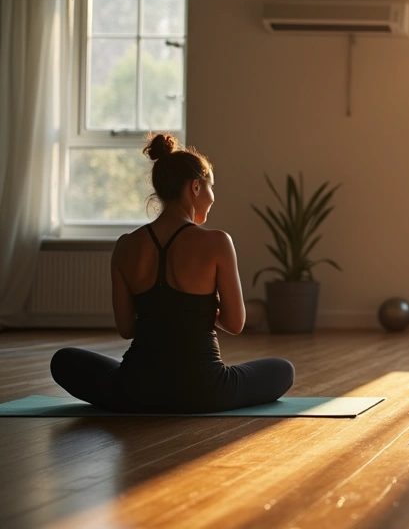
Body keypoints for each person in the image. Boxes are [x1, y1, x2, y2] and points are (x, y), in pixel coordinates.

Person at [48, 133, 294, 413]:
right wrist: (197, 309)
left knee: (63, 360)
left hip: (134, 390)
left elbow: (127, 329)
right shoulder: (218, 242)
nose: (214, 197)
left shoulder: (126, 246)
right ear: (196, 187)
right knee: (283, 370)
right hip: (205, 390)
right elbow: (235, 323)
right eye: (212, 187)